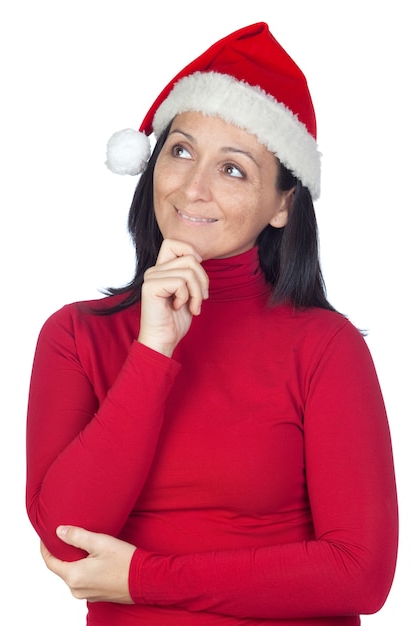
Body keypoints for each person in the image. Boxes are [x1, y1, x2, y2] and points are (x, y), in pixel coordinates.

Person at [26, 22, 398, 625]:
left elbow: (361, 575)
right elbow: (70, 542)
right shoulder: (76, 336)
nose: (193, 187)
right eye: (180, 151)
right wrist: (152, 351)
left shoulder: (325, 347)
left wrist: (143, 578)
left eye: (233, 170)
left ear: (283, 205)